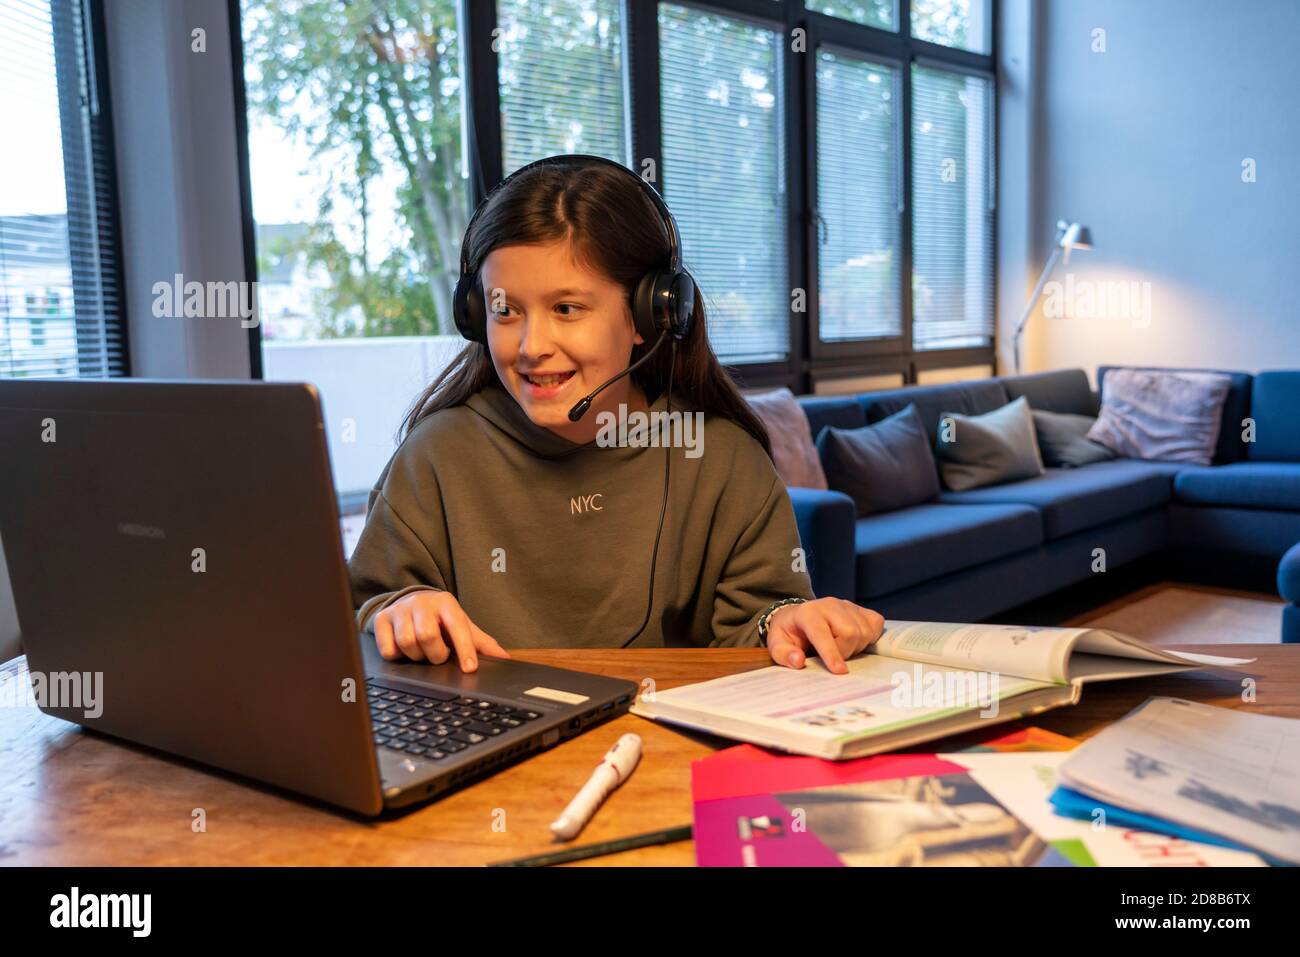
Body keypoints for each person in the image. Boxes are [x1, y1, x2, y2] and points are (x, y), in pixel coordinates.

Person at [347, 154, 885, 674]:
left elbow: (760, 623)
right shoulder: (438, 453)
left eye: (567, 309)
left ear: (650, 314)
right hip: (491, 750)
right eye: (504, 310)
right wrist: (397, 609)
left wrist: (785, 622)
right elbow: (363, 610)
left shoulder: (718, 457)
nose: (533, 345)